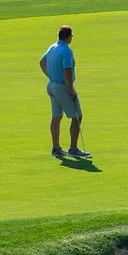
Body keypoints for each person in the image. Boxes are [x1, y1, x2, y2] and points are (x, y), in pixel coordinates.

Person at [39, 24, 90, 160]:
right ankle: (73, 149)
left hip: (51, 85)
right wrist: (70, 89)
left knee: (56, 116)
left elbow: (41, 62)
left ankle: (56, 148)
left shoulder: (52, 47)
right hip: (62, 87)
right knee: (77, 116)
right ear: (68, 37)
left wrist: (50, 75)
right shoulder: (67, 51)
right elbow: (67, 71)